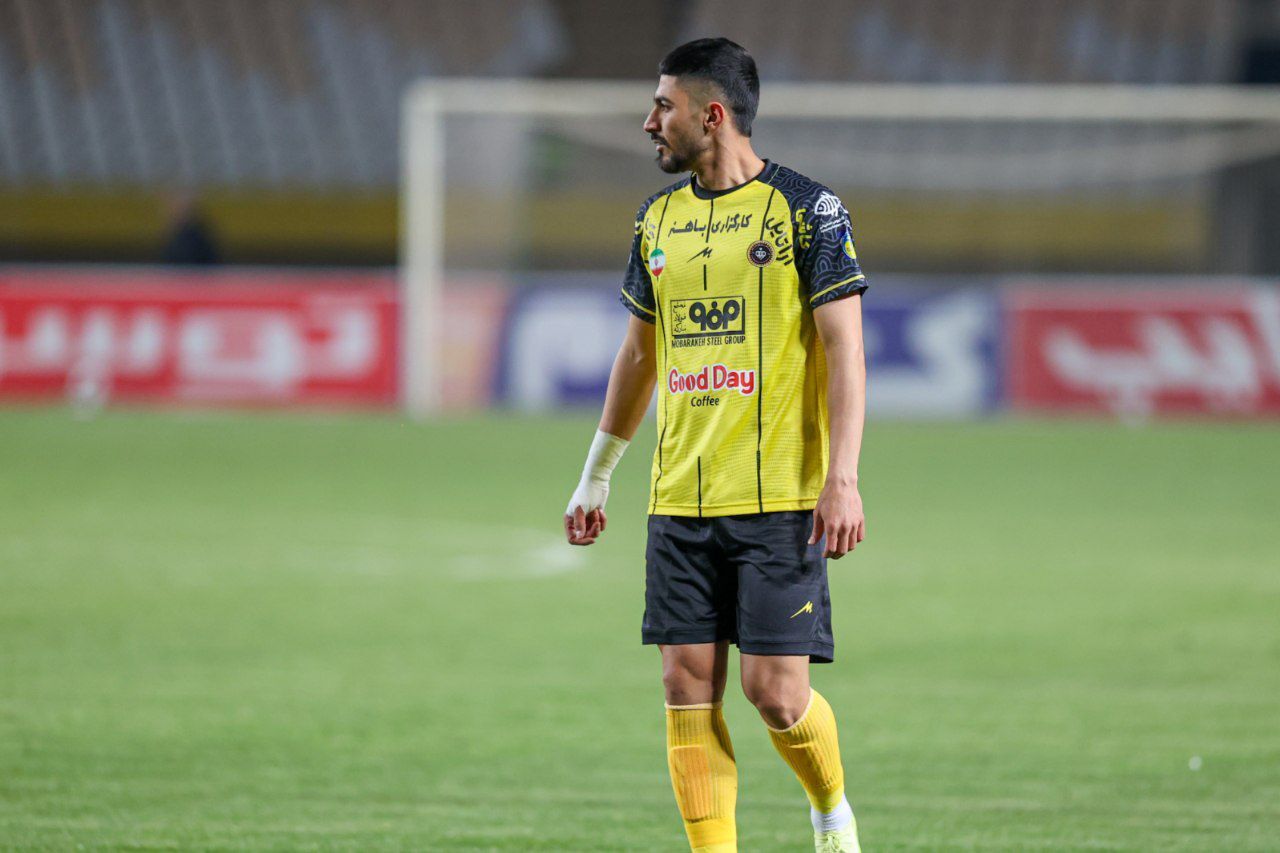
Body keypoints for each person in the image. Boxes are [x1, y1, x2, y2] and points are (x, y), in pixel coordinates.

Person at [563, 37, 868, 853]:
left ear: (712, 114)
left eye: (662, 105)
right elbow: (638, 355)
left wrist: (842, 478)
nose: (648, 121)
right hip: (678, 500)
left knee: (776, 694)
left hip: (781, 500)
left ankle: (831, 809)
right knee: (684, 687)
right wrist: (597, 475)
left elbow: (844, 348)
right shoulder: (655, 219)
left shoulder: (808, 210)